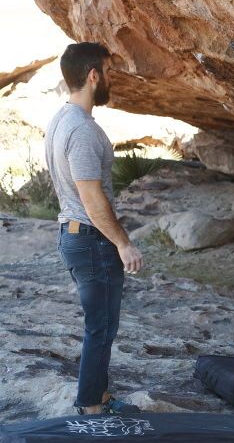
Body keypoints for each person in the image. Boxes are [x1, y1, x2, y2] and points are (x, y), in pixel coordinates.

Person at [44, 42, 144, 415]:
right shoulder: (82, 130)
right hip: (91, 240)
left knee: (101, 324)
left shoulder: (61, 118)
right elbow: (91, 197)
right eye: (109, 72)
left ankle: (98, 395)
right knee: (100, 327)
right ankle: (90, 406)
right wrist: (123, 243)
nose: (111, 79)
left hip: (76, 237)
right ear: (93, 76)